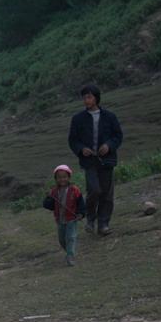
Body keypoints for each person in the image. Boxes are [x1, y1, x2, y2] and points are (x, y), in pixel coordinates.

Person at [68, 84, 123, 236]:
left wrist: (108, 145)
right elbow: (73, 140)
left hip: (107, 160)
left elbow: (118, 136)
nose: (86, 100)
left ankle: (103, 224)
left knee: (106, 193)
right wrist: (81, 149)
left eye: (89, 97)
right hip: (89, 161)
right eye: (84, 97)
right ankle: (90, 219)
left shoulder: (110, 116)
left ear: (96, 98)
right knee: (94, 189)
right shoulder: (78, 119)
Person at [43, 165, 86, 266]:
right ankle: (69, 252)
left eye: (64, 177)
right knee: (62, 239)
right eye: (59, 177)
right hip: (60, 219)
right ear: (56, 179)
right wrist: (48, 197)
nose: (62, 179)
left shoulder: (75, 190)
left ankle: (70, 255)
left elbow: (81, 203)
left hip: (72, 218)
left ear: (69, 177)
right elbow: (48, 206)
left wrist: (81, 214)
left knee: (70, 237)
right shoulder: (54, 191)